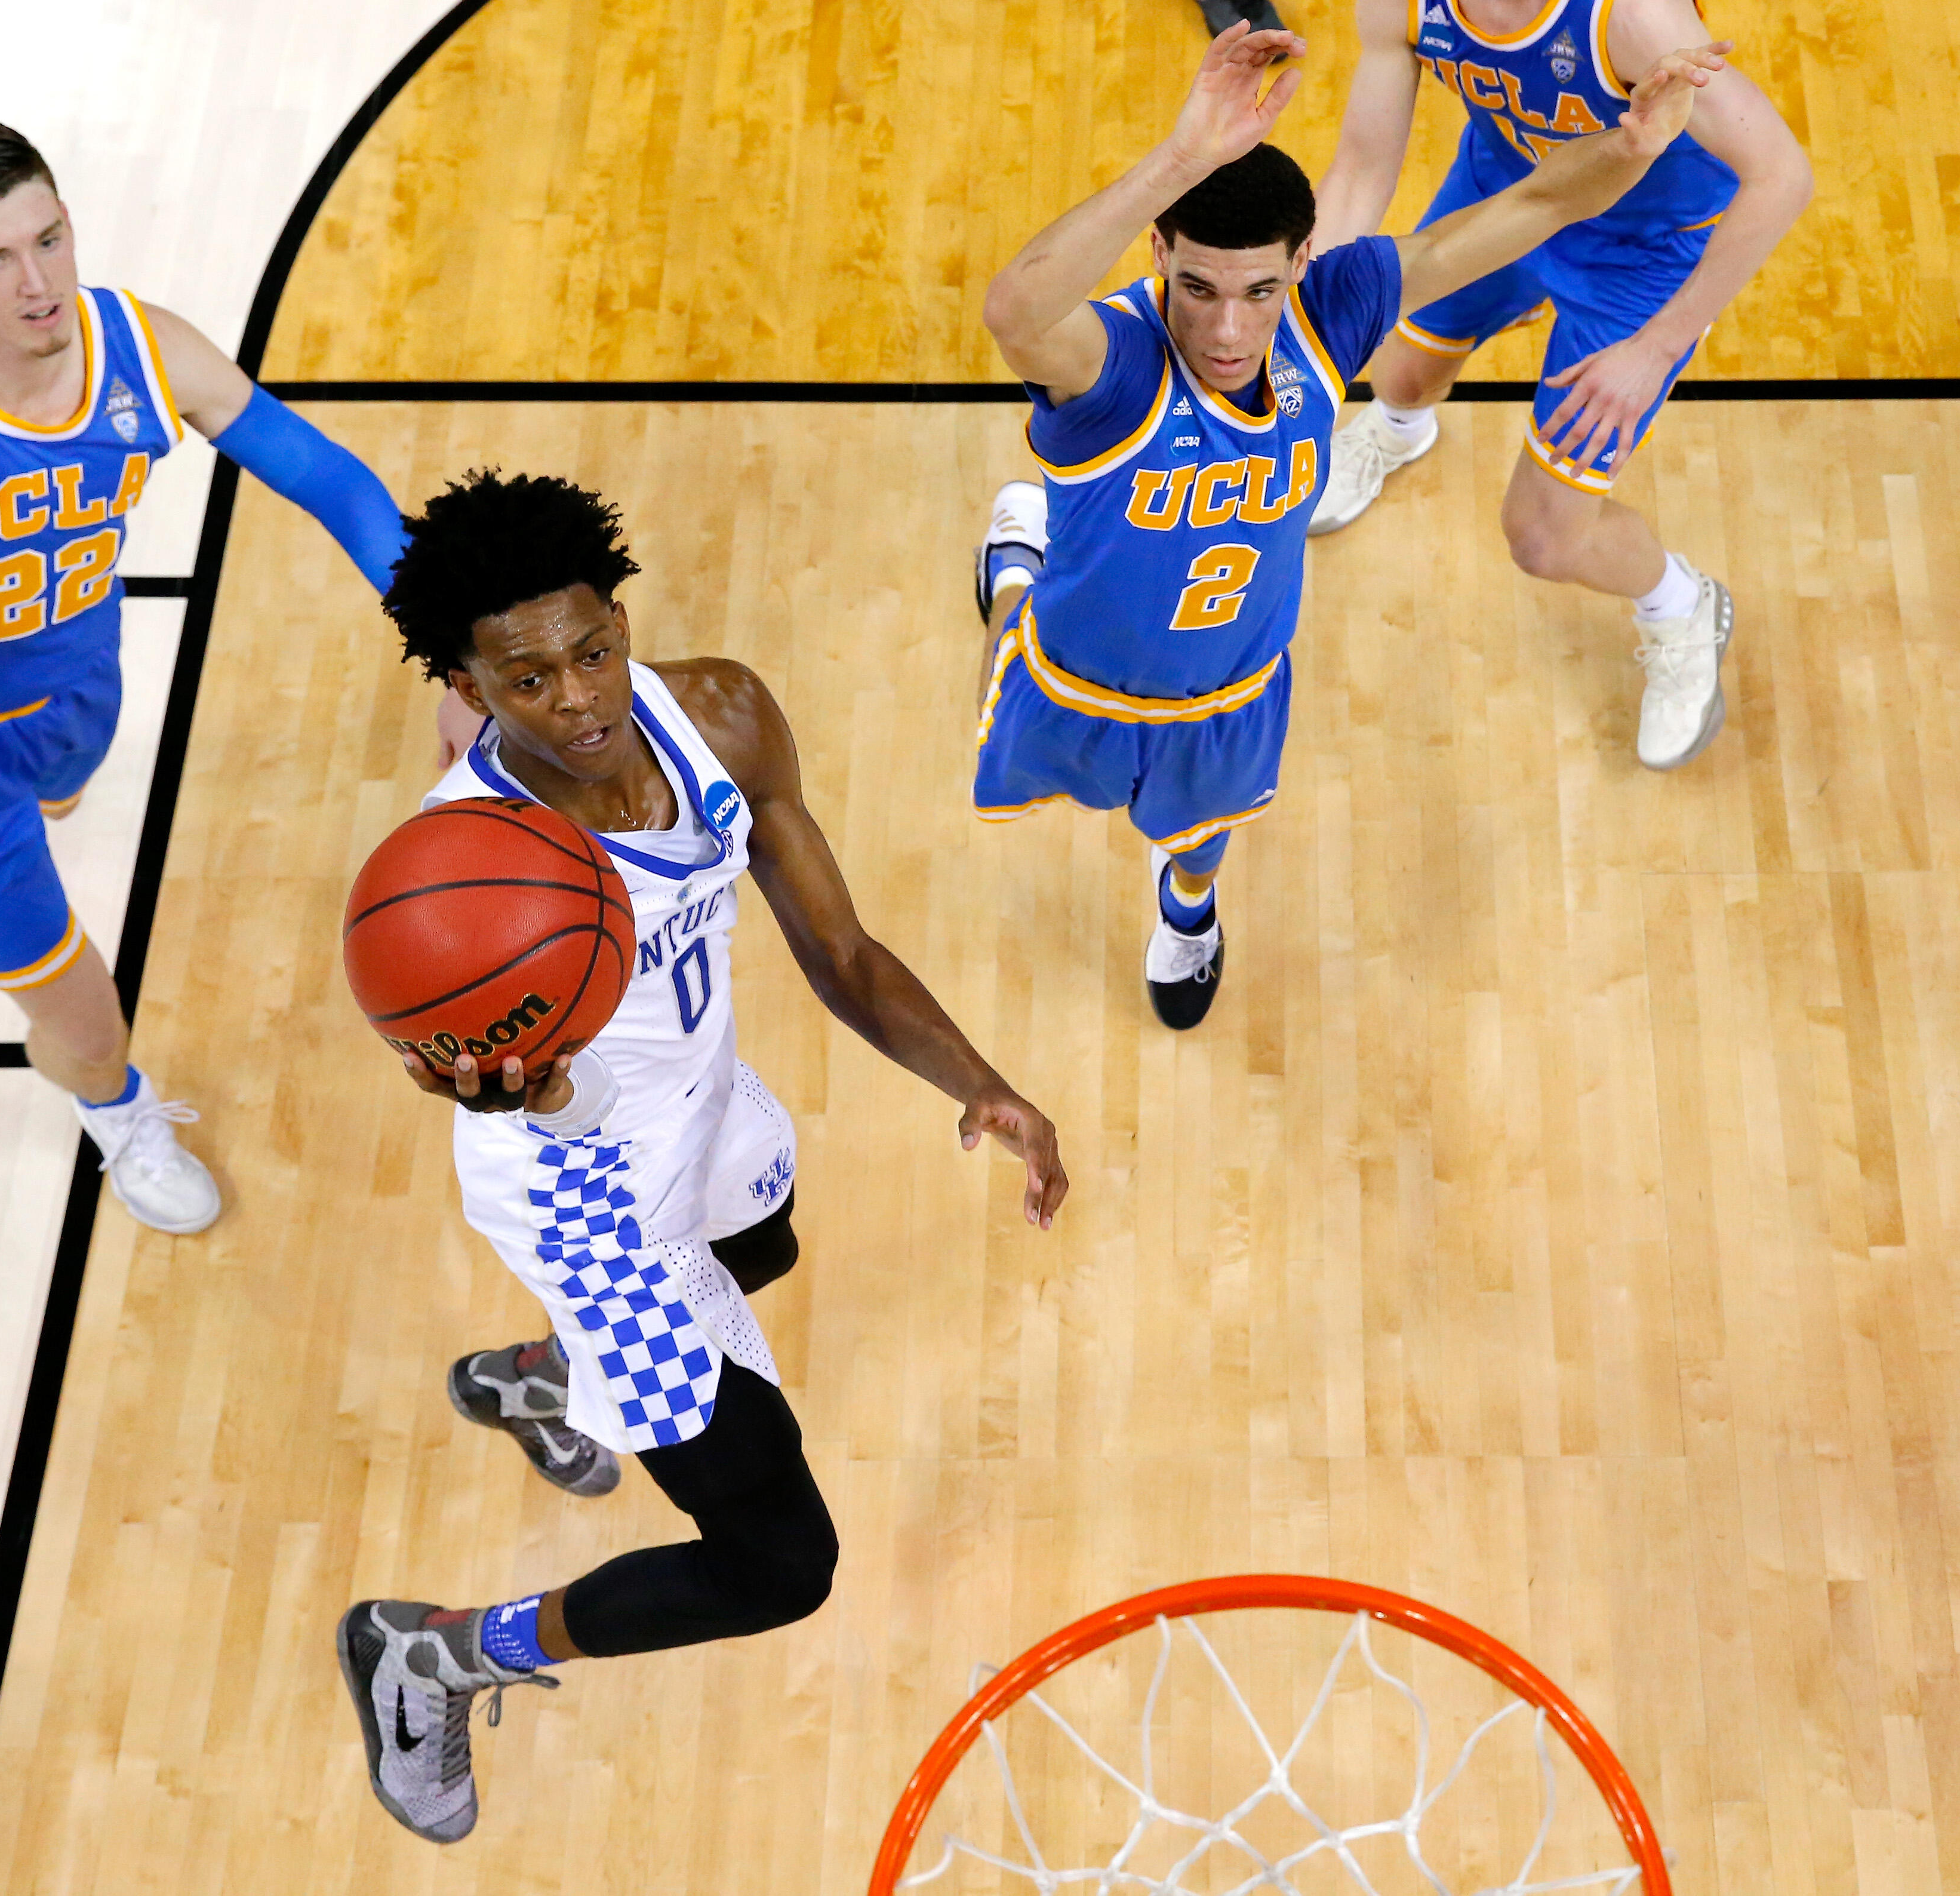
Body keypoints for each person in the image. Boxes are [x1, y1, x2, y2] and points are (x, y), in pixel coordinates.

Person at [337, 470, 1067, 1845]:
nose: (577, 697)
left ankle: (542, 1376)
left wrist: (986, 1087)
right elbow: (480, 1076)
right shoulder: (468, 877)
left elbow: (841, 955)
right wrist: (513, 1092)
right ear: (469, 685)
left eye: (592, 649)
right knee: (779, 1565)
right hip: (593, 1202)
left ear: (623, 618)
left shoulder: (719, 713)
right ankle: (431, 1650)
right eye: (528, 676)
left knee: (770, 1240)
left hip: (705, 1104)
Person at [969, 23, 1719, 1028]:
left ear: (1300, 266)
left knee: (1198, 838)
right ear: (1159, 257)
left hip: (1230, 683)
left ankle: (1188, 917)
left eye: (1258, 292)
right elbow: (1015, 308)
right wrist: (1185, 156)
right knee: (995, 678)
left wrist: (1632, 147)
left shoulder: (1336, 307)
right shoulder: (1112, 366)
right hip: (1074, 667)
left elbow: (1534, 203)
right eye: (1198, 288)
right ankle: (1017, 560)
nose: (1229, 330)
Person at [0, 122, 410, 1233]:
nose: (41, 282)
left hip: (79, 686)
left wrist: (450, 642)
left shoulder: (142, 348)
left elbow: (330, 480)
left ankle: (42, 818)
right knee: (79, 1004)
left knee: (65, 790)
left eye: (51, 240)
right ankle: (117, 1107)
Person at [1304, 0, 1810, 770]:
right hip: (1509, 197)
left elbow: (1782, 176)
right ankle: (1396, 432)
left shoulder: (1635, 21)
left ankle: (1681, 606)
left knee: (1544, 539)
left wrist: (1655, 348)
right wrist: (1308, 311)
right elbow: (1364, 168)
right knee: (1397, 368)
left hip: (1639, 257)